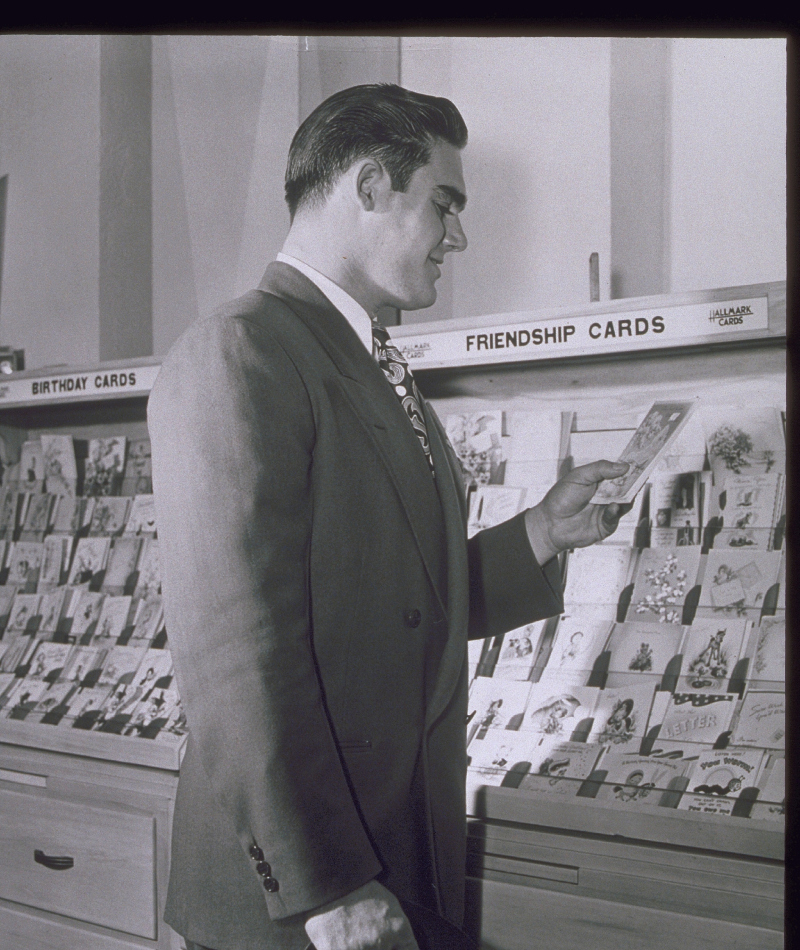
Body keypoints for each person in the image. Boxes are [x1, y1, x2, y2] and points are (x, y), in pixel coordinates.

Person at [148, 83, 629, 950]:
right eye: (444, 203)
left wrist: (541, 536)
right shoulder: (241, 349)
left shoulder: (371, 363)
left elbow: (400, 605)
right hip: (306, 893)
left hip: (398, 851)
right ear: (370, 186)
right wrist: (326, 886)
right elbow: (233, 656)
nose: (460, 236)